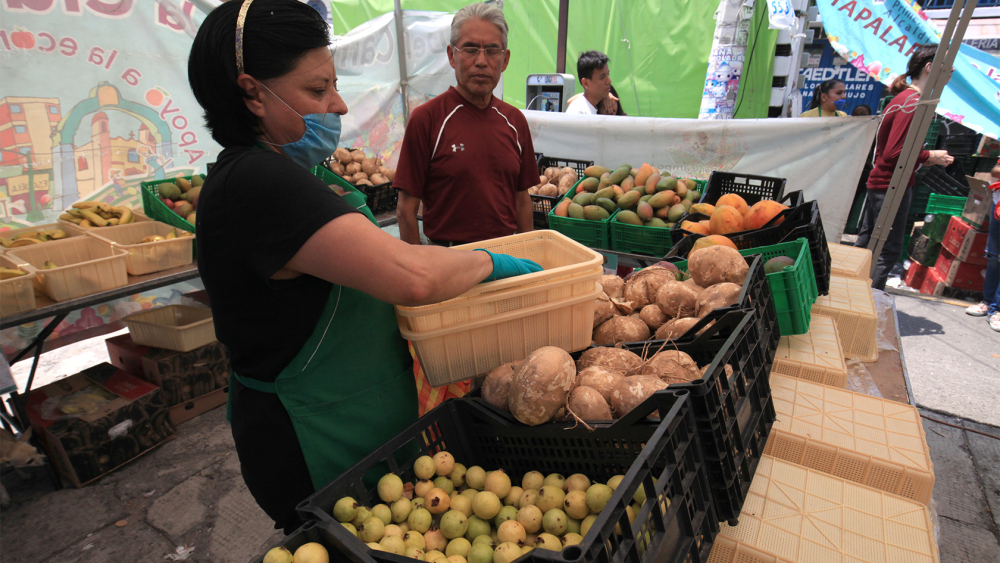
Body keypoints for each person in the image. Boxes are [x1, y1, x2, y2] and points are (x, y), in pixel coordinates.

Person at [187, 0, 542, 534]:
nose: (340, 105)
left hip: (363, 430)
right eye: (317, 90)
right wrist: (491, 260)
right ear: (252, 92)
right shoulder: (256, 184)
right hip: (317, 436)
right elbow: (413, 276)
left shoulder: (289, 172)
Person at [394, 4, 536, 247]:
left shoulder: (514, 121)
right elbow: (406, 210)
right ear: (452, 55)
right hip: (447, 260)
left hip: (505, 260)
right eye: (470, 49)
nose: (481, 61)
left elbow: (521, 200)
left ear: (505, 59)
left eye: (492, 51)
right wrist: (419, 270)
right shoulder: (427, 119)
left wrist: (528, 261)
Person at [854, 44, 954, 290]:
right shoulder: (912, 103)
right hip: (891, 185)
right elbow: (894, 153)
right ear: (930, 67)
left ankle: (850, 299)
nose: (951, 73)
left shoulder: (908, 100)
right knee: (886, 250)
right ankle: (864, 304)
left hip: (888, 183)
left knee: (869, 246)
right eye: (948, 67)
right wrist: (929, 155)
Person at [965, 158, 1000, 331]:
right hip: (998, 206)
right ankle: (987, 302)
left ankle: (997, 309)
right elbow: (996, 171)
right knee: (994, 257)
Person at [566, 51, 620, 116]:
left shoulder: (591, 107)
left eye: (608, 74)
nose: (609, 81)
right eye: (602, 77)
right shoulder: (579, 112)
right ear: (586, 83)